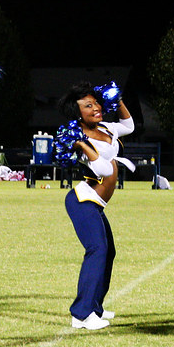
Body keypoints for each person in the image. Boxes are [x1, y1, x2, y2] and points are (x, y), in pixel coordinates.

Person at [57, 83, 135, 329]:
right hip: (83, 201)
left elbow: (129, 126)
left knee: (108, 252)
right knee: (97, 250)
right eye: (88, 106)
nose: (96, 108)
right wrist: (81, 145)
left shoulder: (105, 127)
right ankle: (81, 314)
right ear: (77, 113)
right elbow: (101, 169)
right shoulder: (78, 137)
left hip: (96, 204)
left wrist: (118, 100)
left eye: (97, 103)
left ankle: (95, 308)